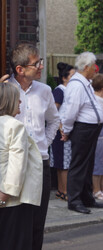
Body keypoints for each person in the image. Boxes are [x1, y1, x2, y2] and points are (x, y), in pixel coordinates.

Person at [9, 43, 60, 250]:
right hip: (14, 165)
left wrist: (44, 144)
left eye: (40, 62)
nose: (41, 66)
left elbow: (54, 121)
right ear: (20, 69)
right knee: (14, 219)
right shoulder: (6, 90)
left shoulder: (45, 90)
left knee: (37, 221)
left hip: (39, 163)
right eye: (36, 63)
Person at [0, 82, 43, 250]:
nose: (20, 103)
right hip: (11, 199)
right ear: (9, 101)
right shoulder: (15, 126)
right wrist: (5, 195)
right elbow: (18, 164)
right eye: (17, 99)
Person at [61, 52, 103, 214]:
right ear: (86, 67)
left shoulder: (84, 82)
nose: (95, 69)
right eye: (94, 66)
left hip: (91, 128)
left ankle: (87, 197)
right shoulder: (76, 84)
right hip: (82, 129)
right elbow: (71, 110)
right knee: (79, 165)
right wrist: (66, 130)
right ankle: (74, 200)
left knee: (88, 164)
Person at [50, 62, 75, 201]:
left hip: (66, 131)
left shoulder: (69, 90)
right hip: (61, 132)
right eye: (72, 75)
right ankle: (64, 191)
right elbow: (54, 113)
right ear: (64, 78)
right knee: (63, 165)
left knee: (63, 164)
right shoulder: (60, 91)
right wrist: (61, 129)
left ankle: (61, 191)